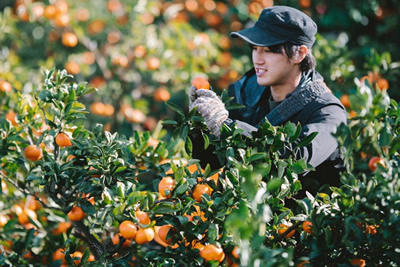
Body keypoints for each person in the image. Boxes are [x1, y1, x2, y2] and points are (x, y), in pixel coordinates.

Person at [189, 5, 347, 195]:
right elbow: (215, 163)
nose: (257, 59)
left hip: (305, 221)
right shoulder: (246, 92)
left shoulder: (329, 113)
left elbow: (293, 163)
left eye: (269, 50)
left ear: (300, 53)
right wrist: (201, 126)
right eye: (255, 48)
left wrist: (225, 126)